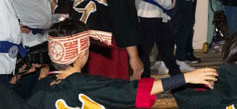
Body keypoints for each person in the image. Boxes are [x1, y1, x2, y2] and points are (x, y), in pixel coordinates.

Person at [25, 18, 217, 108]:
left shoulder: (39, 88)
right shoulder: (89, 85)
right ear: (83, 53)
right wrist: (187, 77)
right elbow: (137, 90)